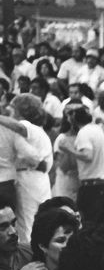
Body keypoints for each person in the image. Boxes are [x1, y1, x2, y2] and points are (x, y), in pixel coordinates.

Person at [7, 95, 53, 244]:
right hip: (40, 180)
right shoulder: (40, 131)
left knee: (27, 224)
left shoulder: (25, 125)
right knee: (42, 222)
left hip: (28, 178)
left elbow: (20, 128)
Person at [68, 106, 104, 226]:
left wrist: (68, 149)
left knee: (89, 225)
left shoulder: (83, 133)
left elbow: (87, 156)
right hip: (103, 184)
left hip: (91, 186)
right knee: (102, 225)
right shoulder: (97, 129)